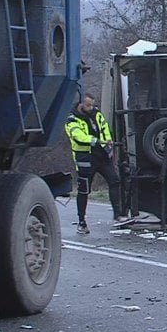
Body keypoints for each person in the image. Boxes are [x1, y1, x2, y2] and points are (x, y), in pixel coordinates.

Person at [65, 93, 125, 234]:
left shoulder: (97, 114)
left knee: (114, 180)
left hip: (101, 155)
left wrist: (108, 142)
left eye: (92, 105)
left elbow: (104, 129)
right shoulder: (72, 119)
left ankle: (118, 216)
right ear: (81, 104)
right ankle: (82, 222)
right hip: (85, 157)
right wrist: (95, 140)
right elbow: (77, 136)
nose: (90, 108)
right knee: (84, 190)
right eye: (88, 105)